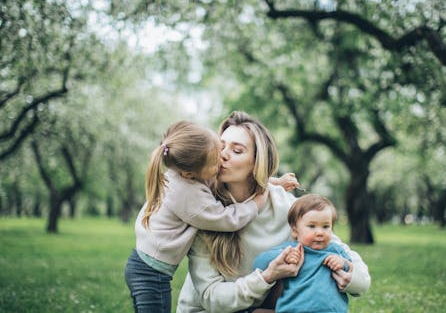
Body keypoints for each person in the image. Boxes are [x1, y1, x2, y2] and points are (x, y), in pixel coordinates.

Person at [176, 111, 371, 313]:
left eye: (237, 150)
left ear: (257, 162)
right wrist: (268, 276)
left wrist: (352, 278)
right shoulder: (205, 210)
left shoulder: (285, 205)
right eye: (221, 146)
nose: (223, 155)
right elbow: (211, 298)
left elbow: (346, 259)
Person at [124, 120, 270, 313]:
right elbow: (225, 219)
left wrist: (271, 182)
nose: (222, 159)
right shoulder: (187, 194)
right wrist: (255, 204)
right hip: (151, 274)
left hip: (143, 265)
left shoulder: (181, 176)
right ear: (189, 173)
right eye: (215, 161)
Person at [252, 194, 352, 313]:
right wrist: (283, 256)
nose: (319, 232)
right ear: (295, 231)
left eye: (326, 226)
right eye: (312, 226)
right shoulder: (290, 249)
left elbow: (350, 269)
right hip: (294, 309)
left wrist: (342, 263)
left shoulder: (335, 250)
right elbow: (258, 263)